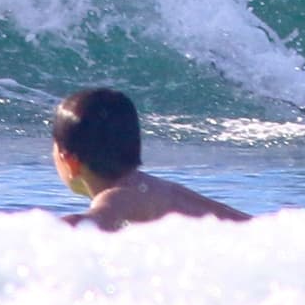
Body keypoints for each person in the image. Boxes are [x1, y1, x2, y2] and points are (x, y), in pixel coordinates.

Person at [52, 87, 250, 229]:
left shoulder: (120, 196)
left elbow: (95, 221)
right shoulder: (145, 187)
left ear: (70, 161)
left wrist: (36, 234)